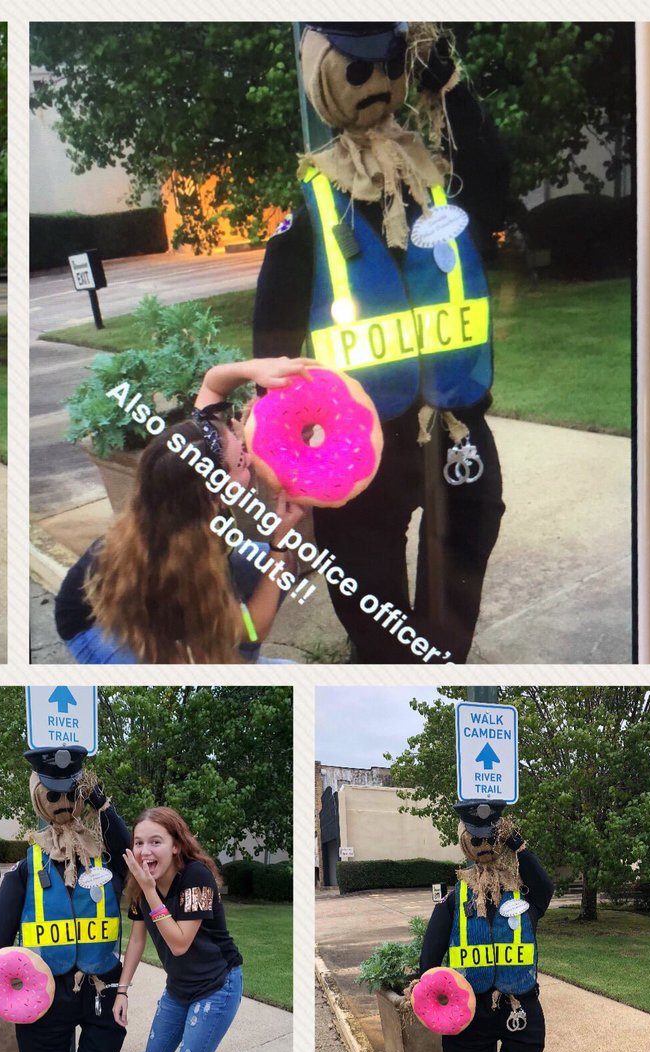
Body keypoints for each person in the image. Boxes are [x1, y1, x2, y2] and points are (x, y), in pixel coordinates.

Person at [253, 23, 510, 662]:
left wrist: (447, 85)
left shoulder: (438, 181)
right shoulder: (313, 204)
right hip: (357, 442)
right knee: (368, 589)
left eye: (386, 64)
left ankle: (438, 658)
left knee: (471, 530)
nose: (375, 82)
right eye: (357, 68)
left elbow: (497, 185)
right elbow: (273, 338)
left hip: (454, 421)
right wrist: (288, 452)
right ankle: (388, 664)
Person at [55, 357, 315, 663]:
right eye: (241, 461)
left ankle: (237, 660)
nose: (247, 451)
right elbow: (253, 628)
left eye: (235, 438)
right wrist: (279, 543)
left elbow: (213, 382)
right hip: (96, 627)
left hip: (158, 587)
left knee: (276, 567)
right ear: (214, 495)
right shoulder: (181, 560)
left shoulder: (194, 455)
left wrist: (256, 371)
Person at [0, 746, 130, 1052]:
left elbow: (129, 857)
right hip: (44, 994)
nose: (65, 803)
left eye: (72, 794)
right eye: (55, 795)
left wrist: (103, 803)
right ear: (40, 796)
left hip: (102, 987)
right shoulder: (28, 867)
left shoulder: (101, 855)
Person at [114, 807, 243, 1052]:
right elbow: (138, 939)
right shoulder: (141, 883)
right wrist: (123, 990)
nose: (145, 851)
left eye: (156, 841)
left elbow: (181, 942)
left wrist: (152, 892)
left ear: (176, 845)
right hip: (180, 988)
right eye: (139, 842)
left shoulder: (197, 878)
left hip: (218, 986)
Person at [415, 803, 553, 1052]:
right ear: (467, 842)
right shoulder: (453, 902)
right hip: (468, 1013)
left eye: (493, 837)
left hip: (518, 1007)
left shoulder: (523, 898)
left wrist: (519, 844)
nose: (485, 844)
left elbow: (545, 887)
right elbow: (428, 964)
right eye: (478, 838)